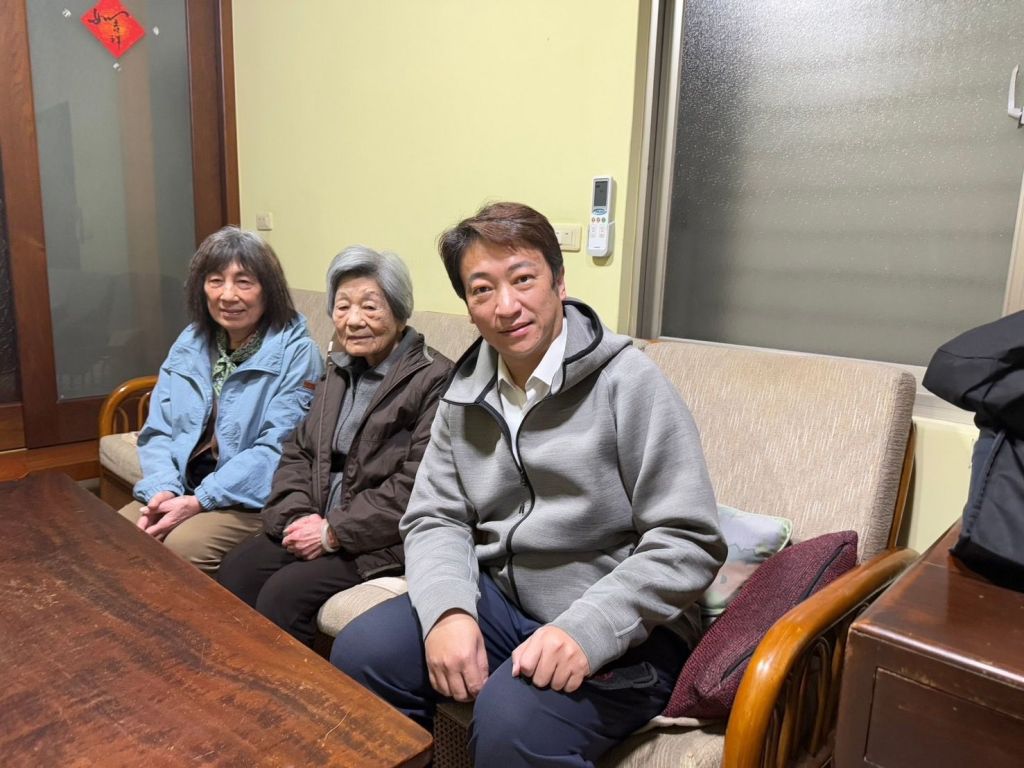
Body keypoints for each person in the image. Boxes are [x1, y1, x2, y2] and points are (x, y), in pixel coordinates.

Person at [331, 202, 726, 766]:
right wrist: (448, 612)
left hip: (621, 622)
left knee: (512, 719)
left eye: (523, 279)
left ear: (559, 282)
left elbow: (689, 537)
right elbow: (435, 515)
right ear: (469, 308)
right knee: (362, 652)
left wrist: (587, 630)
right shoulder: (463, 392)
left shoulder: (628, 381)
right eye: (482, 289)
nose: (506, 306)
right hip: (503, 600)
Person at [217, 246, 454, 645]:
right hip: (317, 519)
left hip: (380, 538)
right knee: (236, 571)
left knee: (283, 596)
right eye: (342, 307)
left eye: (370, 307)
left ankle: (294, 685)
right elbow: (299, 451)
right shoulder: (338, 371)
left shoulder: (434, 378)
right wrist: (295, 517)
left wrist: (334, 531)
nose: (354, 320)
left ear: (400, 313)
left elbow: (418, 483)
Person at [119, 227, 323, 575]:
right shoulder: (191, 342)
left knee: (182, 548)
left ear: (268, 289)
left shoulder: (298, 354)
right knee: (116, 533)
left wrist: (201, 499)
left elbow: (278, 449)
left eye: (244, 282)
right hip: (185, 485)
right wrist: (164, 490)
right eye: (216, 281)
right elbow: (159, 430)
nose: (228, 295)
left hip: (250, 498)